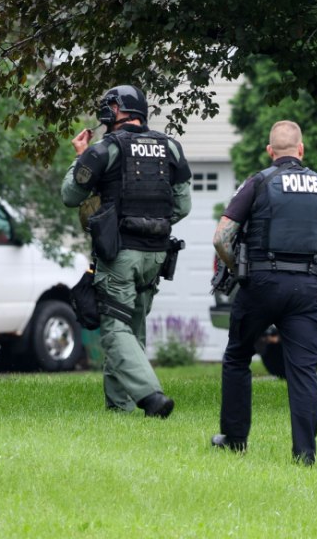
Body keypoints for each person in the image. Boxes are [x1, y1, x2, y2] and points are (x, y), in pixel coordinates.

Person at [210, 120, 317, 464]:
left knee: (238, 356)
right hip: (305, 286)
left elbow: (221, 238)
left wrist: (235, 268)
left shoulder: (258, 182)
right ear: (301, 149)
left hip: (261, 283)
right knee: (303, 370)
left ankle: (235, 439)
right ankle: (305, 454)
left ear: (270, 152)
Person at [61, 84, 192, 417]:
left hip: (119, 253)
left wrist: (79, 157)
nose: (105, 110)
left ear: (120, 109)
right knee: (132, 327)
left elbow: (70, 195)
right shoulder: (171, 147)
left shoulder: (104, 149)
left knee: (115, 329)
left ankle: (151, 397)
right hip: (156, 254)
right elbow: (183, 206)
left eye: (110, 105)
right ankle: (119, 406)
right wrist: (152, 222)